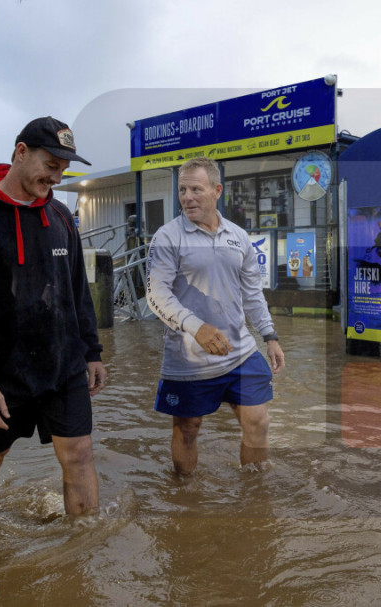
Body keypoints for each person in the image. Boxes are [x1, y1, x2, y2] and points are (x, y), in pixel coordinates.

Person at [0, 116, 107, 516]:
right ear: (21, 152)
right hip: (0, 374)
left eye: (63, 170)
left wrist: (92, 352)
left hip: (63, 366)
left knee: (80, 454)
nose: (57, 178)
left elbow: (78, 291)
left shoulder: (61, 218)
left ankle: (87, 546)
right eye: (51, 165)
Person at [146, 157, 285, 475]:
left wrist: (270, 336)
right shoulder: (167, 237)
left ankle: (255, 491)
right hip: (188, 357)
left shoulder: (238, 236)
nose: (187, 197)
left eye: (196, 189)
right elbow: (156, 295)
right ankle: (184, 492)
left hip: (240, 351)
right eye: (182, 190)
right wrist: (196, 327)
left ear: (217, 190)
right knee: (188, 428)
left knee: (258, 421)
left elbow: (252, 294)